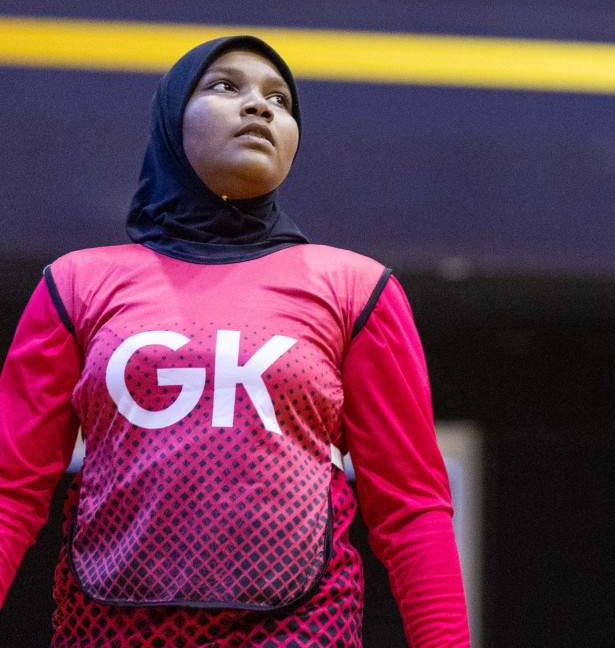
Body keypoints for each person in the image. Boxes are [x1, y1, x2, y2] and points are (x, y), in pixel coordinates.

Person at [0, 37, 469, 647]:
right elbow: (12, 488)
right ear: (171, 120)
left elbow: (411, 509)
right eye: (226, 87)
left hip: (302, 631)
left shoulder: (357, 288)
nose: (260, 108)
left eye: (280, 99)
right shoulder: (76, 284)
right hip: (105, 629)